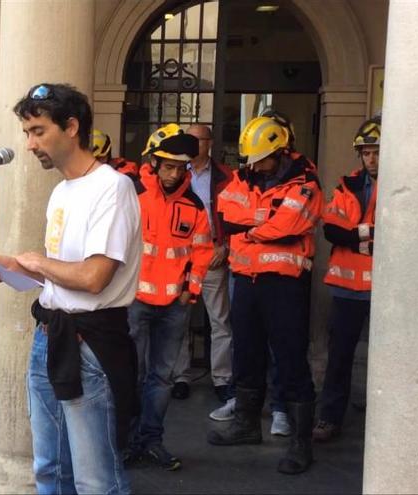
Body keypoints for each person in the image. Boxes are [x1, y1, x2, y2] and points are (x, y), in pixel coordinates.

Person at [0, 83, 141, 494]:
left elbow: (93, 278)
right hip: (49, 336)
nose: (30, 143)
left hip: (91, 343)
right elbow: (62, 274)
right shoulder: (61, 191)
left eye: (37, 131)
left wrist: (34, 260)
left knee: (94, 478)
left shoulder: (113, 187)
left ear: (71, 127)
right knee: (50, 468)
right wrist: (18, 269)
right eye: (27, 132)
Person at [208, 115, 322, 475]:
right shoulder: (244, 177)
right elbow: (227, 211)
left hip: (284, 284)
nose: (252, 166)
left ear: (280, 151)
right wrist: (265, 222)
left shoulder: (305, 182)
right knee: (246, 353)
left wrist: (253, 226)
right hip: (247, 279)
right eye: (249, 160)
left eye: (260, 159)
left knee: (290, 359)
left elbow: (291, 224)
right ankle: (246, 424)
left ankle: (300, 442)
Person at [125, 126, 213, 470]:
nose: (175, 174)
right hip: (135, 301)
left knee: (161, 378)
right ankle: (128, 441)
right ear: (154, 163)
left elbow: (202, 251)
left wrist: (191, 291)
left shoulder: (193, 205)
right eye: (168, 167)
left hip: (174, 305)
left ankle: (151, 440)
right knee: (133, 373)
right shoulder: (133, 195)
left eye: (181, 168)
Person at [314, 117, 380, 442]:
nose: (371, 158)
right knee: (339, 356)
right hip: (347, 289)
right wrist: (369, 235)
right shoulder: (346, 185)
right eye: (366, 152)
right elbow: (331, 230)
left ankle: (384, 419)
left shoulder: (400, 186)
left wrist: (354, 235)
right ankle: (329, 418)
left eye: (377, 152)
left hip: (384, 290)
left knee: (386, 358)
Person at [172, 124, 234, 403]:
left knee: (220, 321)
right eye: (189, 140)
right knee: (179, 320)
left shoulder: (226, 176)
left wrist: (227, 245)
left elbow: (237, 214)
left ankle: (222, 379)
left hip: (212, 257)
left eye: (199, 140)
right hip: (180, 259)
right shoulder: (175, 173)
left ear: (209, 143)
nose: (193, 145)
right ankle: (181, 376)